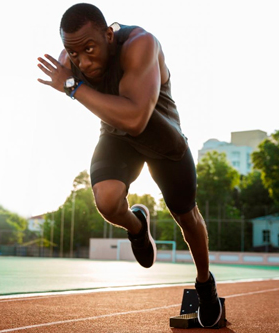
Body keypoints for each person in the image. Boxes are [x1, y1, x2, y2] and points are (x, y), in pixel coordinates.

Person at [37, 3, 222, 327]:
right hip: (116, 134)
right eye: (74, 54)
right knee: (107, 201)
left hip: (161, 135)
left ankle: (205, 283)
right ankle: (137, 225)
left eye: (90, 49)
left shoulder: (141, 44)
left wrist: (72, 86)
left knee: (186, 216)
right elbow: (107, 109)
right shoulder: (70, 62)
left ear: (109, 35)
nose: (83, 61)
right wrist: (73, 82)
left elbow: (137, 118)